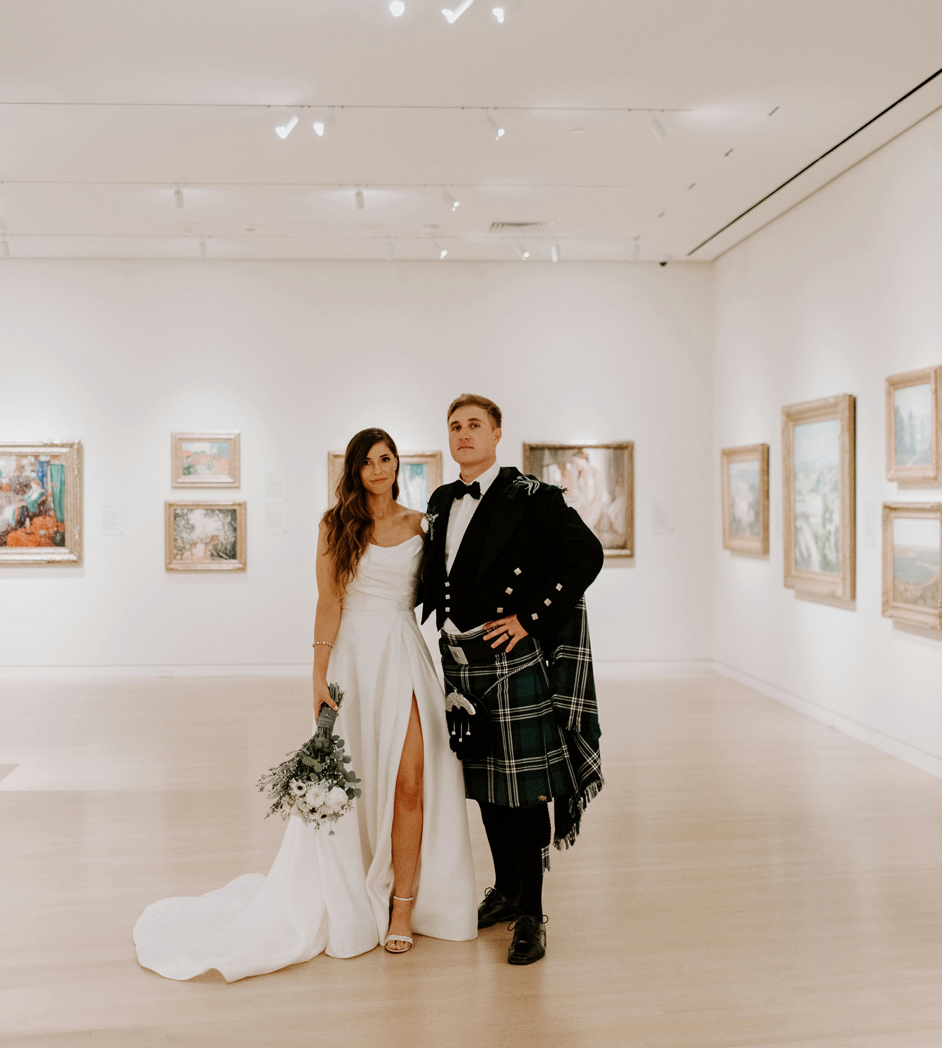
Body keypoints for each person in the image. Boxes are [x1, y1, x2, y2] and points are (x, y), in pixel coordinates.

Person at [133, 428, 476, 981]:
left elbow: (447, 589)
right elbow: (329, 601)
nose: (379, 468)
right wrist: (317, 673)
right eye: (368, 461)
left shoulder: (421, 524)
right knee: (351, 783)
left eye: (387, 459)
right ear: (354, 470)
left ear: (398, 465)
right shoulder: (335, 525)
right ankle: (353, 889)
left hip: (404, 656)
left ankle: (405, 907)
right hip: (352, 663)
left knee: (411, 781)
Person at [417, 394, 605, 966]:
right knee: (485, 785)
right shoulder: (442, 498)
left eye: (475, 425)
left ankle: (533, 915)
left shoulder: (533, 498)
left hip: (509, 661)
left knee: (524, 793)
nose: (464, 434)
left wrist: (529, 619)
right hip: (460, 660)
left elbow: (587, 555)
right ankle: (506, 889)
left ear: (497, 434)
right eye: (455, 426)